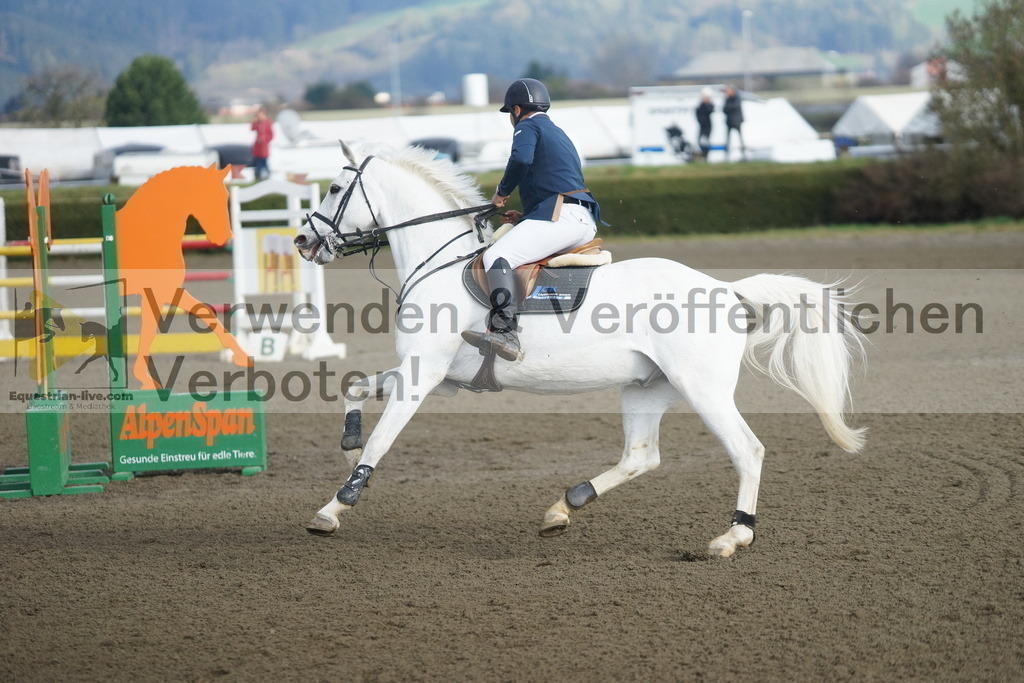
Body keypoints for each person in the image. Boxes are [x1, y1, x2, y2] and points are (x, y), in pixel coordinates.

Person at [461, 78, 602, 362]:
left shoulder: (527, 125)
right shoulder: (558, 131)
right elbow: (556, 181)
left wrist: (501, 192)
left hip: (562, 217)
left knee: (497, 255)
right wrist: (526, 217)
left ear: (516, 110)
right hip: (579, 216)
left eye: (511, 115)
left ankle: (504, 332)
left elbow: (521, 160)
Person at [722, 85, 746, 160]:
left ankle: (743, 154)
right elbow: (724, 109)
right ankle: (727, 155)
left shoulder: (737, 98)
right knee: (728, 139)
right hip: (729, 122)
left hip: (737, 121)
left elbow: (734, 107)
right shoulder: (727, 99)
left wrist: (729, 107)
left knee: (740, 138)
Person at [250, 106, 274, 180]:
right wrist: (255, 120)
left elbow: (271, 135)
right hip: (258, 146)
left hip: (264, 147)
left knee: (265, 163)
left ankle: (268, 177)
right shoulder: (258, 123)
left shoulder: (268, 123)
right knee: (257, 163)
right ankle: (258, 177)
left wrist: (265, 140)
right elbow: (252, 128)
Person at [696, 88, 714, 160]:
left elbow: (710, 110)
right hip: (702, 125)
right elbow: (698, 113)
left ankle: (706, 155)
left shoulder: (709, 105)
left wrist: (707, 103)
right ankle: (701, 154)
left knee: (706, 141)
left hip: (708, 126)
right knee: (699, 141)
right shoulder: (701, 105)